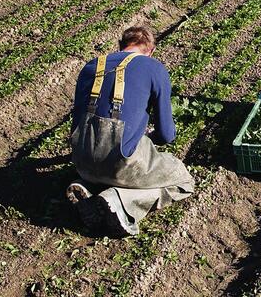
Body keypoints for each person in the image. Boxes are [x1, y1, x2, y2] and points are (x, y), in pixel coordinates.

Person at [66, 26, 194, 237]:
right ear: (151, 50)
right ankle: (119, 200)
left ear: (120, 46)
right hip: (121, 162)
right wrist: (146, 137)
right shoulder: (153, 68)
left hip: (81, 160)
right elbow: (166, 135)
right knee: (183, 180)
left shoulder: (91, 66)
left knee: (101, 166)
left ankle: (84, 184)